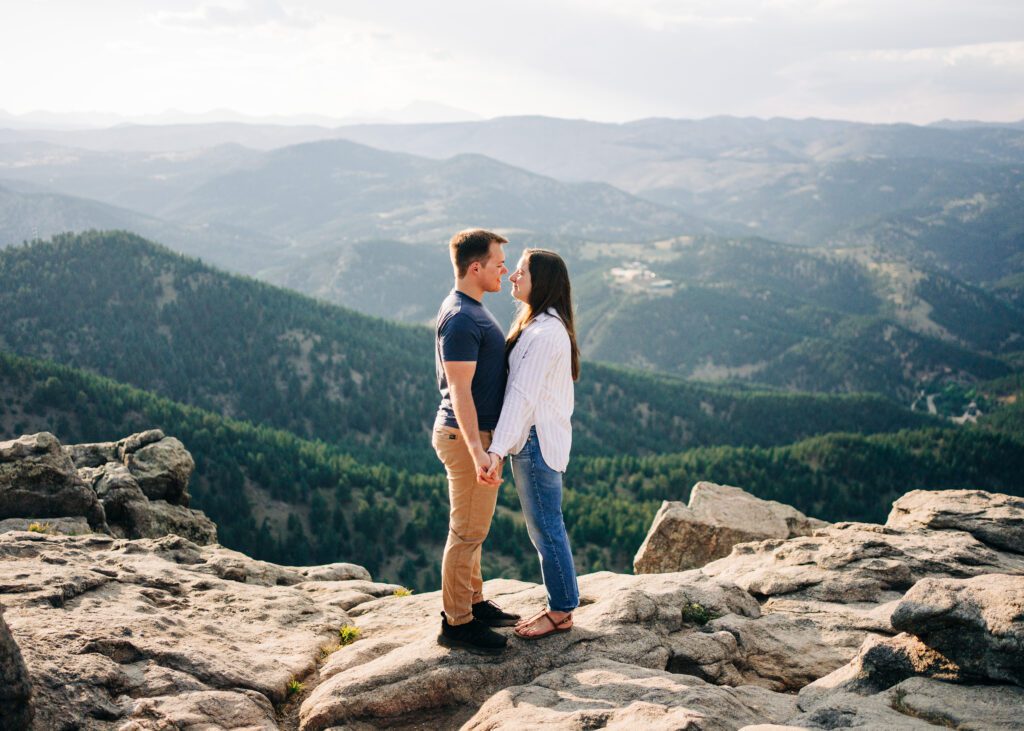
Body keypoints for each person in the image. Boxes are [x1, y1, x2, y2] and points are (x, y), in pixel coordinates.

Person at [483, 248, 581, 640]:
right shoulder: (541, 325)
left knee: (545, 527)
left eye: (520, 271)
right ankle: (563, 604)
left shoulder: (544, 334)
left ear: (540, 281)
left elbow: (522, 396)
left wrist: (497, 449)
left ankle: (561, 610)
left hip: (536, 441)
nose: (512, 276)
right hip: (537, 439)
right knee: (545, 525)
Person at [433, 228, 522, 655]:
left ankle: (473, 601)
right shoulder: (464, 318)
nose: (504, 270)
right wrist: (479, 451)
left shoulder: (470, 309)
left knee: (474, 528)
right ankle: (457, 624)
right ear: (475, 267)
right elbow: (459, 390)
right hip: (467, 436)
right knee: (466, 532)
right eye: (498, 263)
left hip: (476, 435)